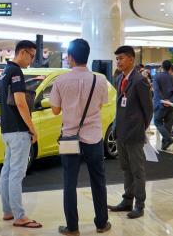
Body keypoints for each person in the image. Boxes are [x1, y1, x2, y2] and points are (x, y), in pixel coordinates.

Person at [50, 39, 111, 235]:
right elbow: (101, 105)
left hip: (69, 138)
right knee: (98, 181)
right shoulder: (100, 80)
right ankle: (102, 223)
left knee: (69, 183)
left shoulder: (60, 80)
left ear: (70, 57)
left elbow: (55, 110)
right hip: (94, 137)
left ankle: (72, 227)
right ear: (87, 56)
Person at [0, 40, 42, 229]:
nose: (31, 60)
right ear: (23, 52)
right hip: (18, 130)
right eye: (31, 56)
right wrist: (32, 127)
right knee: (17, 173)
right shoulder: (16, 72)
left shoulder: (5, 71)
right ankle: (20, 216)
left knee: (7, 171)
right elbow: (20, 102)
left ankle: (8, 211)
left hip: (7, 130)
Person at [108, 46, 153, 219]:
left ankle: (139, 205)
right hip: (121, 132)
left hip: (134, 133)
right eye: (117, 59)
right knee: (126, 168)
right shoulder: (120, 79)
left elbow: (148, 109)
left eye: (121, 58)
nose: (118, 62)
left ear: (131, 59)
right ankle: (127, 201)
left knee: (137, 170)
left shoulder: (140, 80)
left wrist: (140, 127)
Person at [152, 60, 173, 151]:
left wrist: (163, 101)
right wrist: (169, 100)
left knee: (157, 122)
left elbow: (156, 90)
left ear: (162, 67)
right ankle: (164, 145)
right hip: (171, 105)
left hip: (160, 104)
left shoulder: (157, 77)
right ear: (170, 68)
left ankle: (168, 138)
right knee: (168, 124)